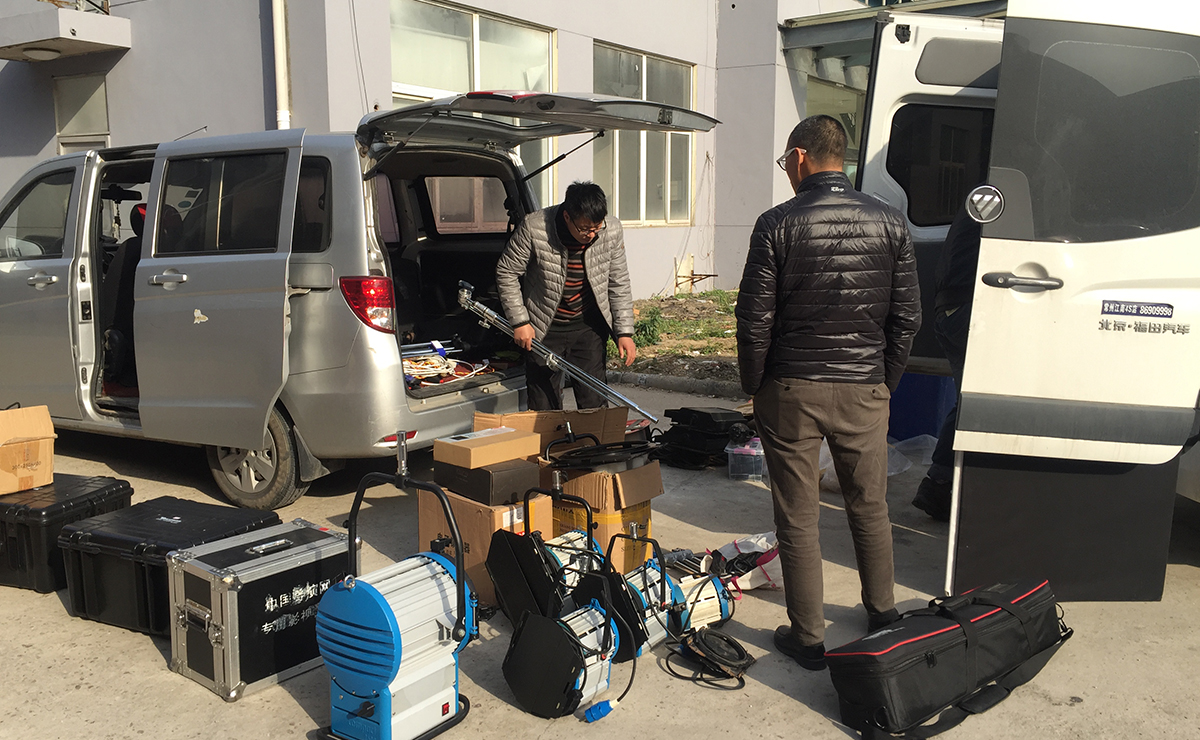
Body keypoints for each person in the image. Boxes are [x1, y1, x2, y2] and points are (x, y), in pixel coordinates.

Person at [735, 115, 921, 671]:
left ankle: (809, 638)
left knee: (798, 517)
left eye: (785, 162)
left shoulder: (777, 224)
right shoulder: (891, 222)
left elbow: (753, 320)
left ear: (800, 157)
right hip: (865, 386)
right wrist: (883, 383)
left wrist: (755, 386)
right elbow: (907, 318)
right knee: (870, 506)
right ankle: (883, 615)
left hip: (791, 388)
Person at [495, 181, 637, 410]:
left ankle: (593, 436)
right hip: (543, 328)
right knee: (544, 407)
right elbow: (507, 271)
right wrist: (520, 321)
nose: (591, 235)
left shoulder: (611, 230)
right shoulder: (534, 227)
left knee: (594, 404)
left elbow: (618, 281)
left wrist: (624, 332)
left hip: (588, 328)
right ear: (567, 216)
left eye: (597, 227)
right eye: (585, 229)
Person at [911, 201, 982, 522]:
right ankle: (944, 484)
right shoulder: (998, 197)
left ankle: (940, 482)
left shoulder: (980, 201)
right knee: (978, 402)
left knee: (969, 399)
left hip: (952, 308)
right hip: (967, 308)